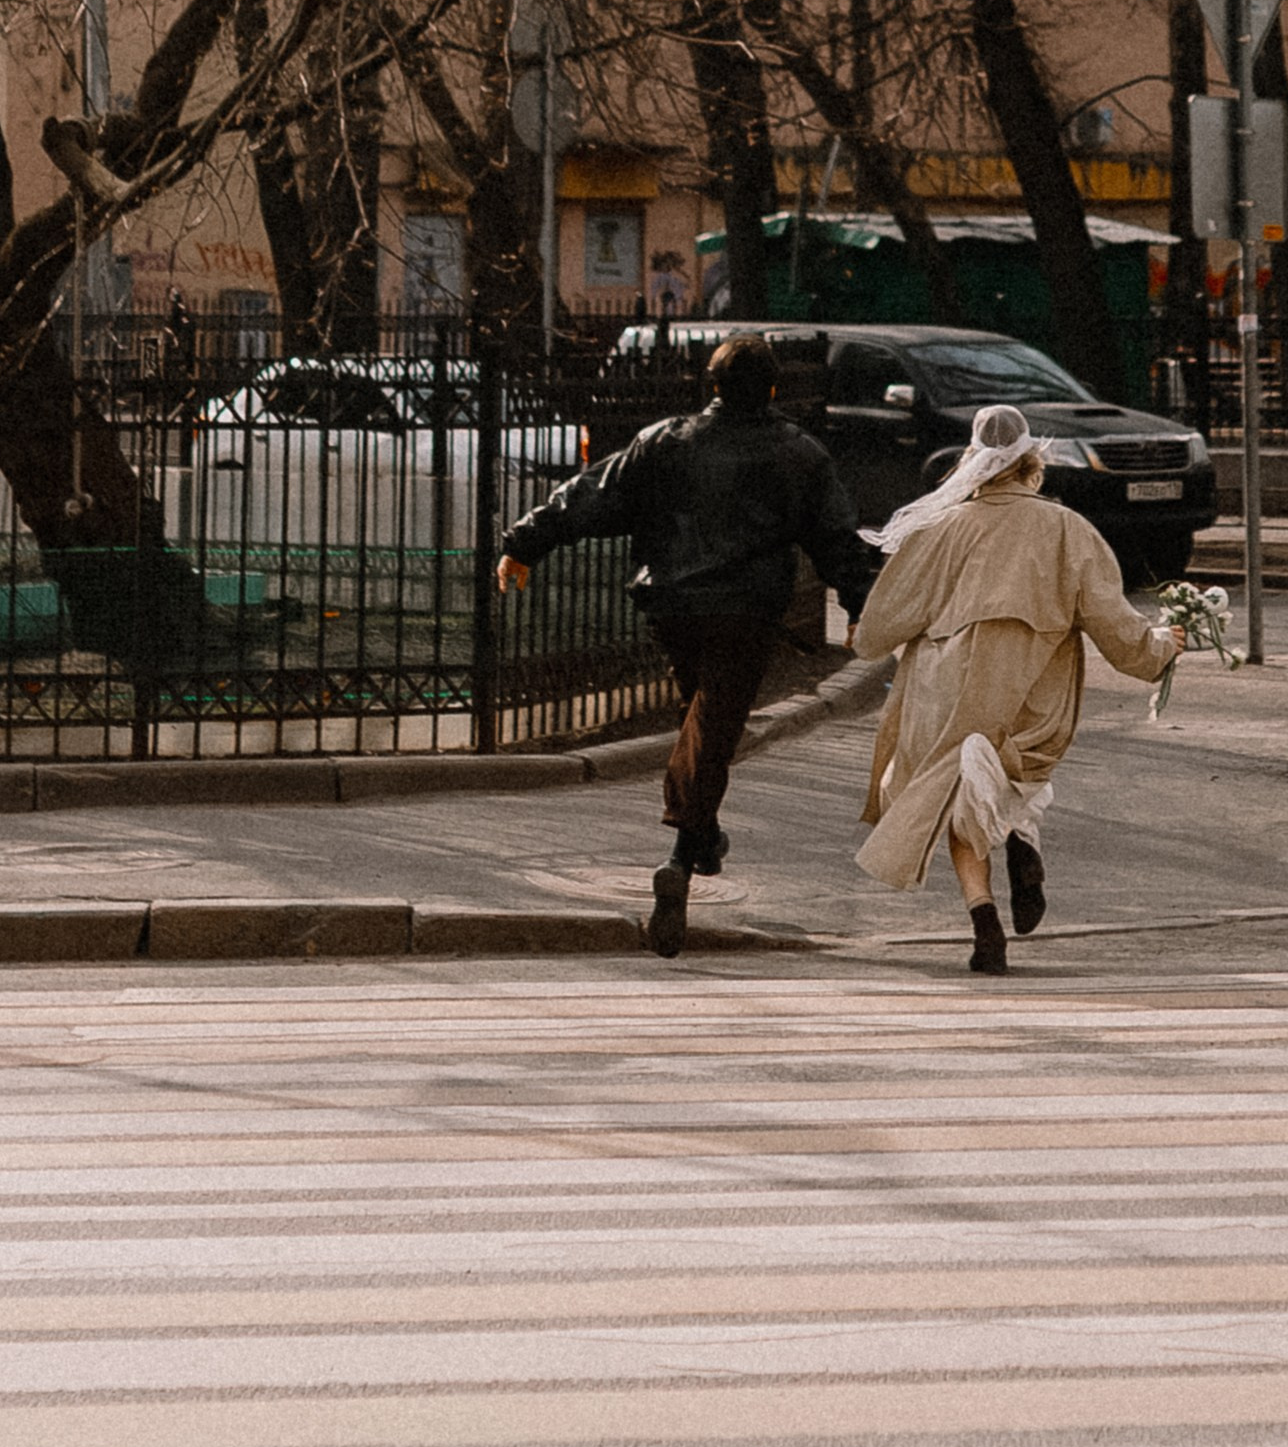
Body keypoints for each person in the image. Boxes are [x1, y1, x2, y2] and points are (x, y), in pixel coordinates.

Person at [498, 333, 879, 957]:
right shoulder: (800, 454)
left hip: (671, 606)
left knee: (701, 716)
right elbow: (836, 538)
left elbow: (594, 494)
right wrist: (861, 606)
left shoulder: (665, 441)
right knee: (716, 721)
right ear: (774, 389)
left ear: (713, 386)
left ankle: (702, 840)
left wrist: (524, 542)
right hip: (745, 611)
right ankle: (681, 851)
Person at [852, 403, 1184, 975]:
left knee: (956, 791)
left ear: (973, 463)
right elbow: (1115, 627)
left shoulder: (941, 528)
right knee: (1013, 774)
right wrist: (1161, 646)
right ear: (1034, 462)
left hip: (946, 690)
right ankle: (1024, 842)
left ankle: (985, 924)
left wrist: (869, 631)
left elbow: (879, 627)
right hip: (1033, 691)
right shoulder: (1067, 531)